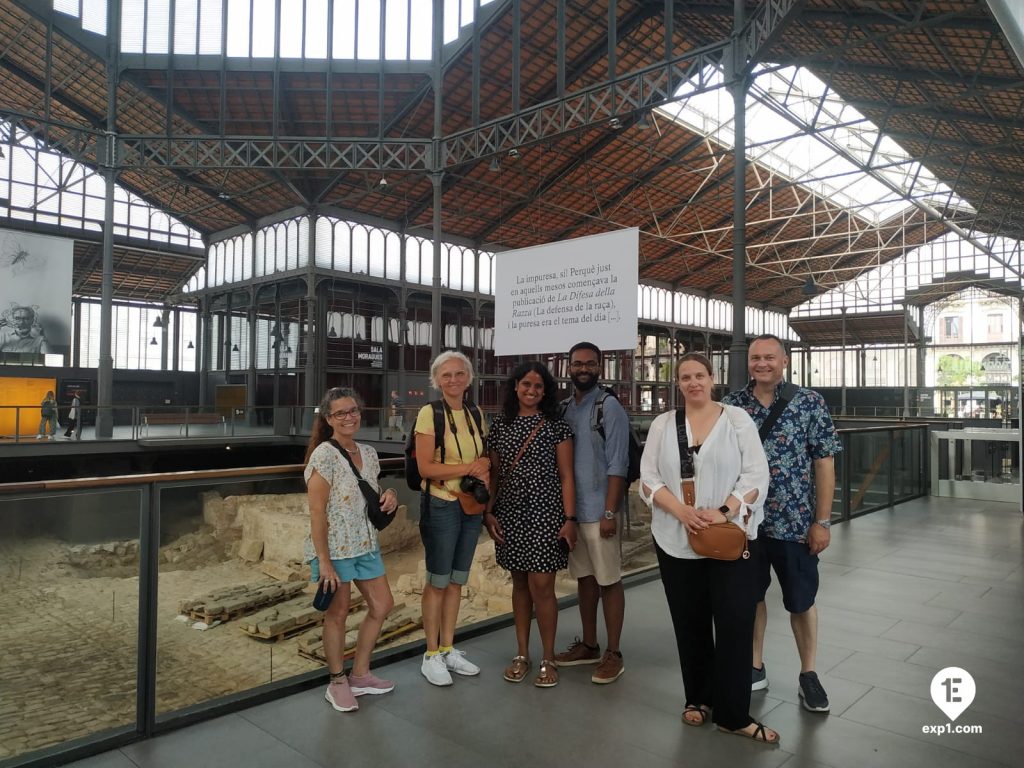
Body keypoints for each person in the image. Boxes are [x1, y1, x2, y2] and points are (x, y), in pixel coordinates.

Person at [639, 353, 778, 743]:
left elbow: (756, 473)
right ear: (678, 383)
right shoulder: (664, 425)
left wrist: (723, 511)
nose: (693, 382)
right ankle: (698, 698)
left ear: (712, 378)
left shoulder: (736, 420)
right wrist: (681, 511)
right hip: (675, 538)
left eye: (699, 375)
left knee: (735, 623)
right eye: (685, 377)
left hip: (729, 537)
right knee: (690, 623)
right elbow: (648, 478)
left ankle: (733, 714)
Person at [722, 334, 841, 713]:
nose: (761, 363)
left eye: (769, 357)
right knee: (750, 596)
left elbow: (824, 462)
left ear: (784, 361)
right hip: (747, 525)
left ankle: (808, 673)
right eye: (755, 357)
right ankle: (754, 665)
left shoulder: (809, 403)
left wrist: (821, 521)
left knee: (801, 600)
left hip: (794, 523)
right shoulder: (731, 405)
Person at [304, 387, 399, 712]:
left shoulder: (369, 453)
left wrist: (389, 495)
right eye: (341, 413)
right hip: (336, 548)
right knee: (338, 614)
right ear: (329, 418)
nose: (349, 417)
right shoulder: (324, 455)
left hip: (365, 543)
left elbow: (368, 493)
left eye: (353, 410)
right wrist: (324, 562)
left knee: (383, 604)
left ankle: (360, 674)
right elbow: (317, 511)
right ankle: (337, 681)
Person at [484, 362, 577, 688]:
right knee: (520, 586)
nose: (532, 391)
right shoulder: (500, 426)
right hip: (509, 515)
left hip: (546, 515)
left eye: (538, 386)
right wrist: (488, 511)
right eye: (526, 384)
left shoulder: (556, 427)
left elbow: (567, 476)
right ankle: (522, 654)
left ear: (545, 391)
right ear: (515, 386)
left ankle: (548, 657)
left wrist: (570, 519)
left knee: (543, 589)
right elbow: (494, 475)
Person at [552, 341, 628, 684]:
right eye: (577, 363)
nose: (583, 369)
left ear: (600, 366)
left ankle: (614, 651)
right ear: (568, 367)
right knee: (584, 580)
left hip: (601, 511)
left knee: (609, 580)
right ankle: (589, 644)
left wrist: (609, 512)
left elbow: (618, 463)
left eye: (590, 364)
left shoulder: (608, 407)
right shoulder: (565, 407)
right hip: (574, 512)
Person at [414, 351, 490, 686]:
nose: (454, 380)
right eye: (446, 375)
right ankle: (431, 654)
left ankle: (448, 647)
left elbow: (484, 455)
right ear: (437, 380)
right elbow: (425, 467)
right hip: (442, 504)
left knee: (457, 579)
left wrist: (482, 468)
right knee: (438, 580)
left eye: (459, 374)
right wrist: (468, 468)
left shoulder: (476, 413)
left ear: (469, 378)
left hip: (469, 504)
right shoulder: (429, 414)